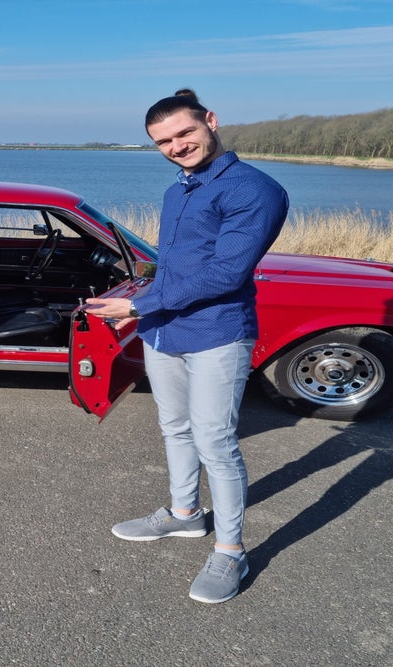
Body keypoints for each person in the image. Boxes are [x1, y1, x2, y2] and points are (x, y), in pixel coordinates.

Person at [85, 89, 288, 604]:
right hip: (163, 330)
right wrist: (140, 296)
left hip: (217, 333)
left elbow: (226, 273)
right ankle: (184, 514)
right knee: (174, 427)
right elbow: (176, 263)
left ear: (210, 121)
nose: (177, 146)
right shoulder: (178, 189)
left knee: (215, 442)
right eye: (163, 142)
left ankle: (231, 551)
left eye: (185, 133)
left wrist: (137, 307)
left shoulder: (254, 189)